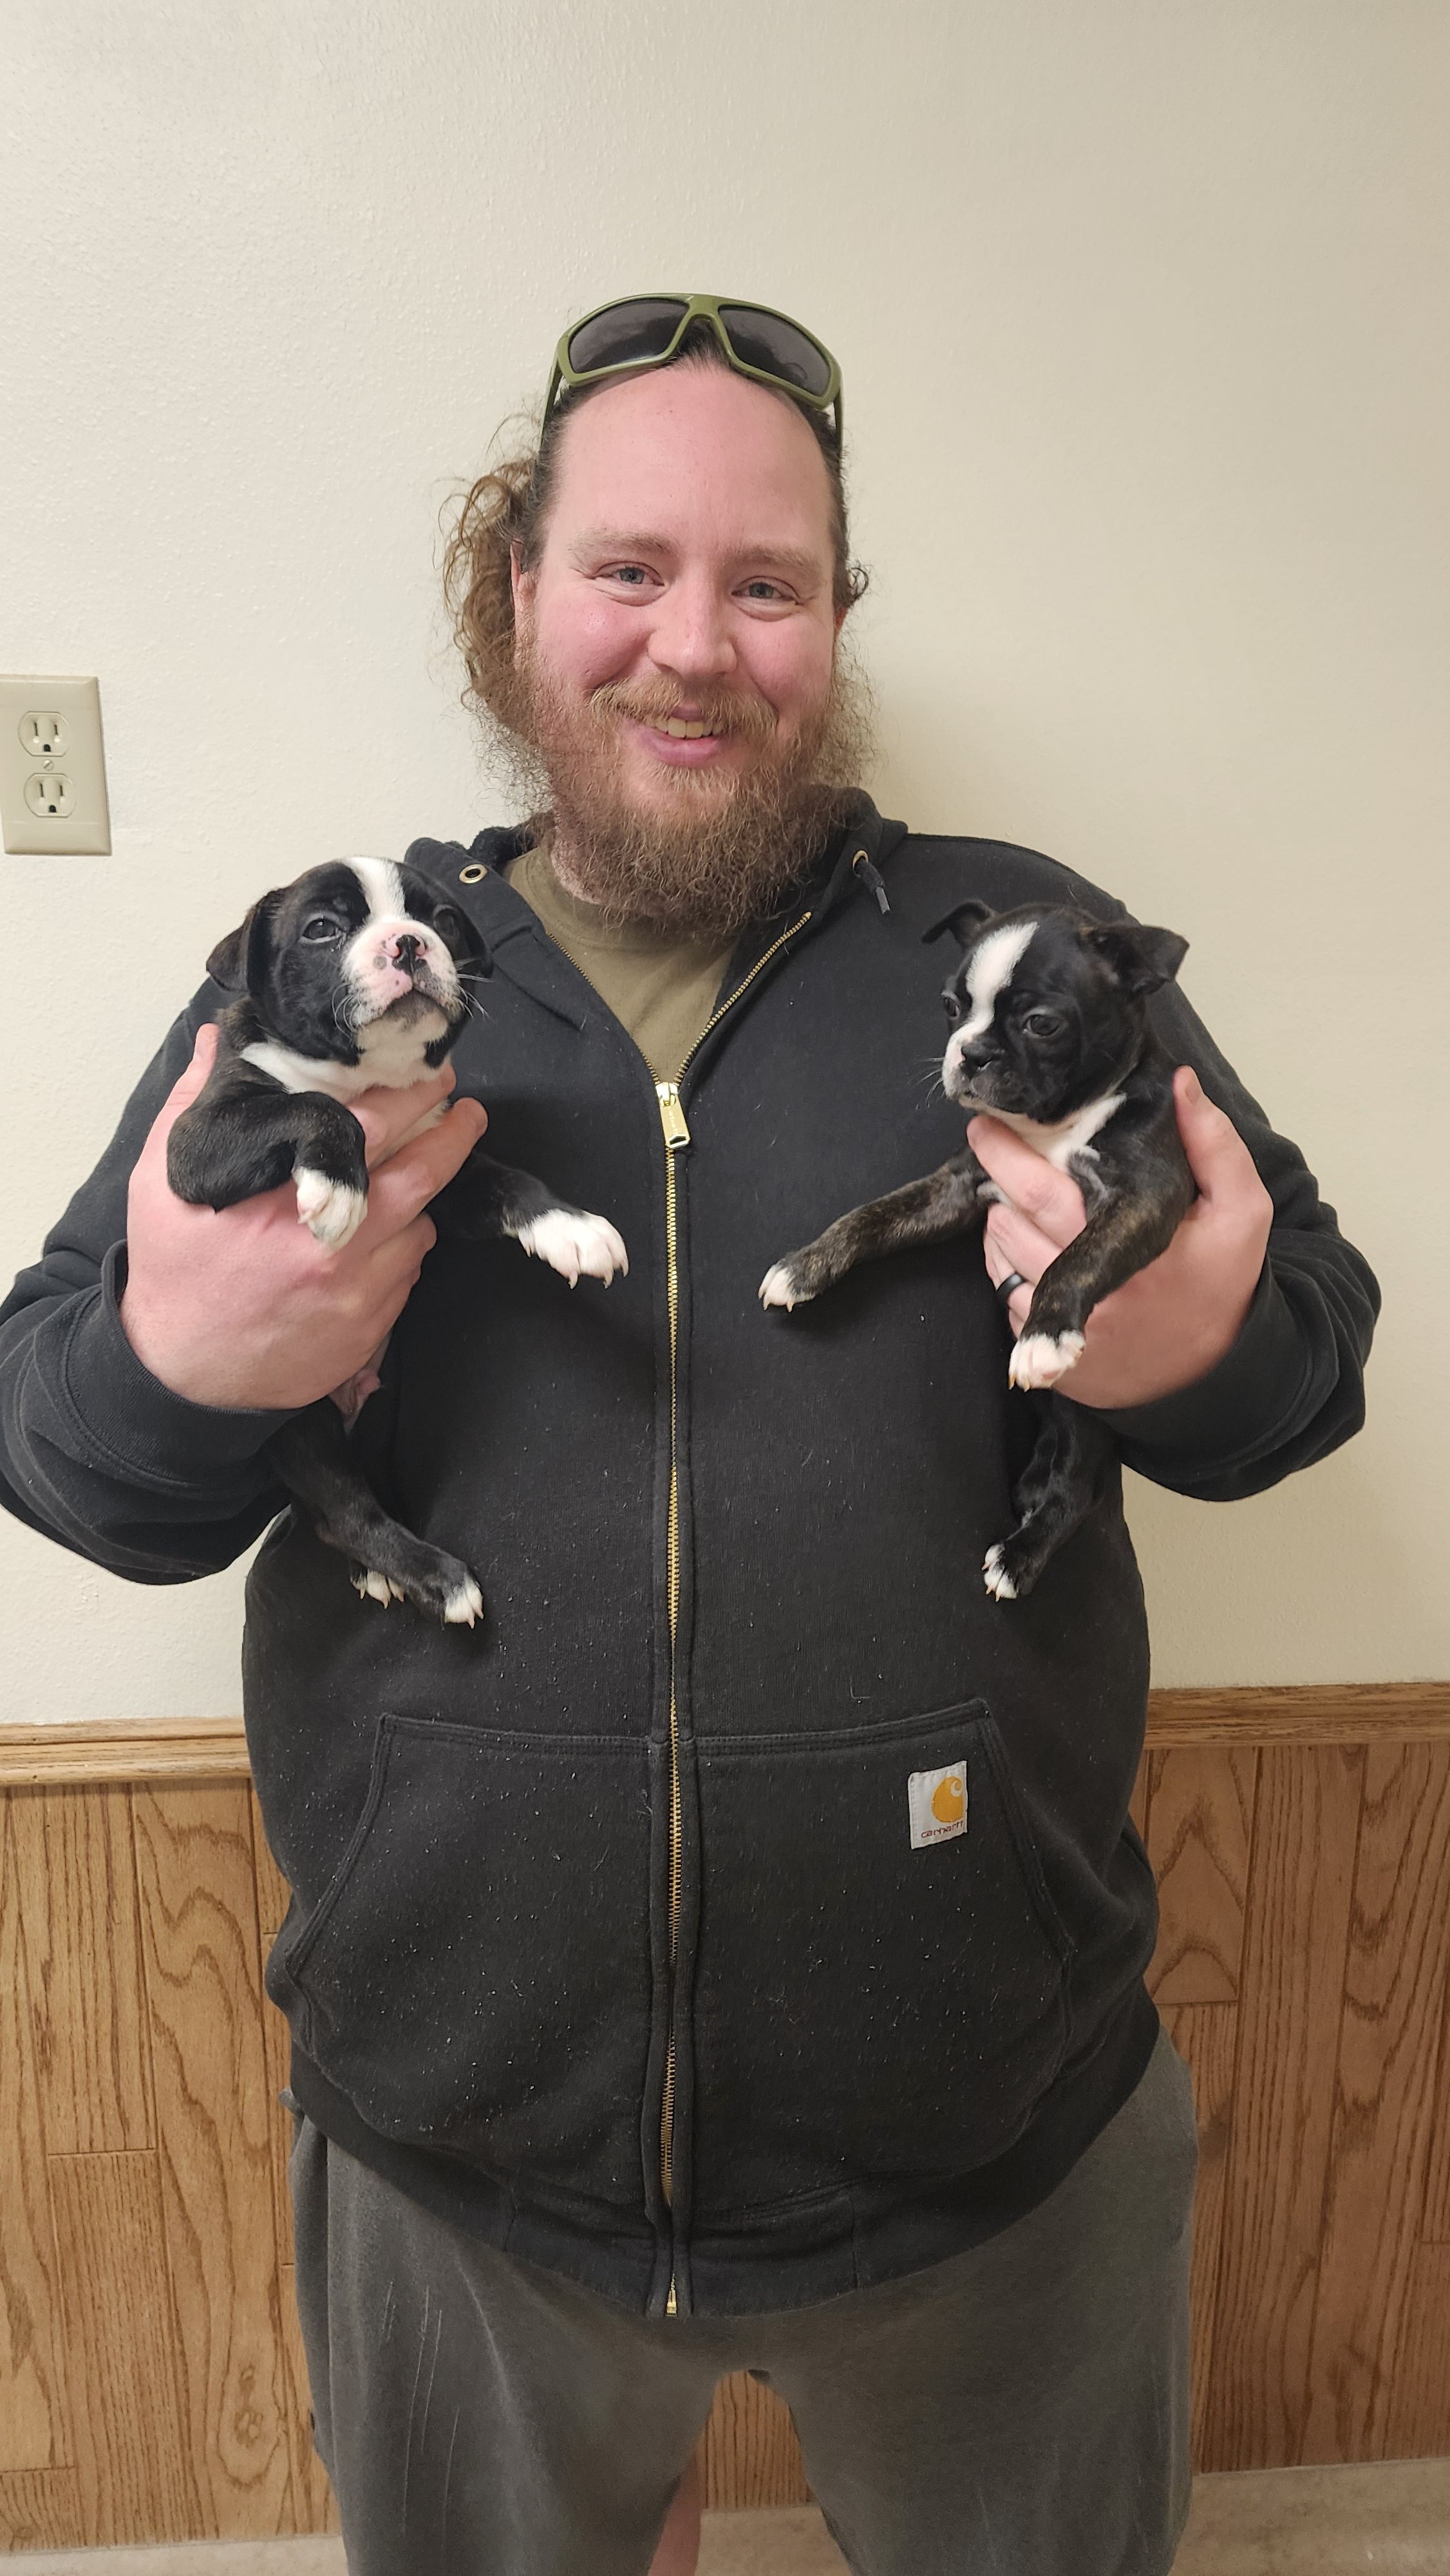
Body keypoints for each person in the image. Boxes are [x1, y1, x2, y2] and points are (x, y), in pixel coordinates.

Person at [0, 296, 1378, 2576]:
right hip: (455, 2143)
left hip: (996, 2133)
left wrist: (1194, 1355)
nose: (695, 647)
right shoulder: (339, 969)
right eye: (628, 569)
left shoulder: (1023, 949)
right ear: (514, 593)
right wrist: (187, 1365)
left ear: (834, 619)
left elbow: (1304, 1362)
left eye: (769, 584)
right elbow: (61, 1442)